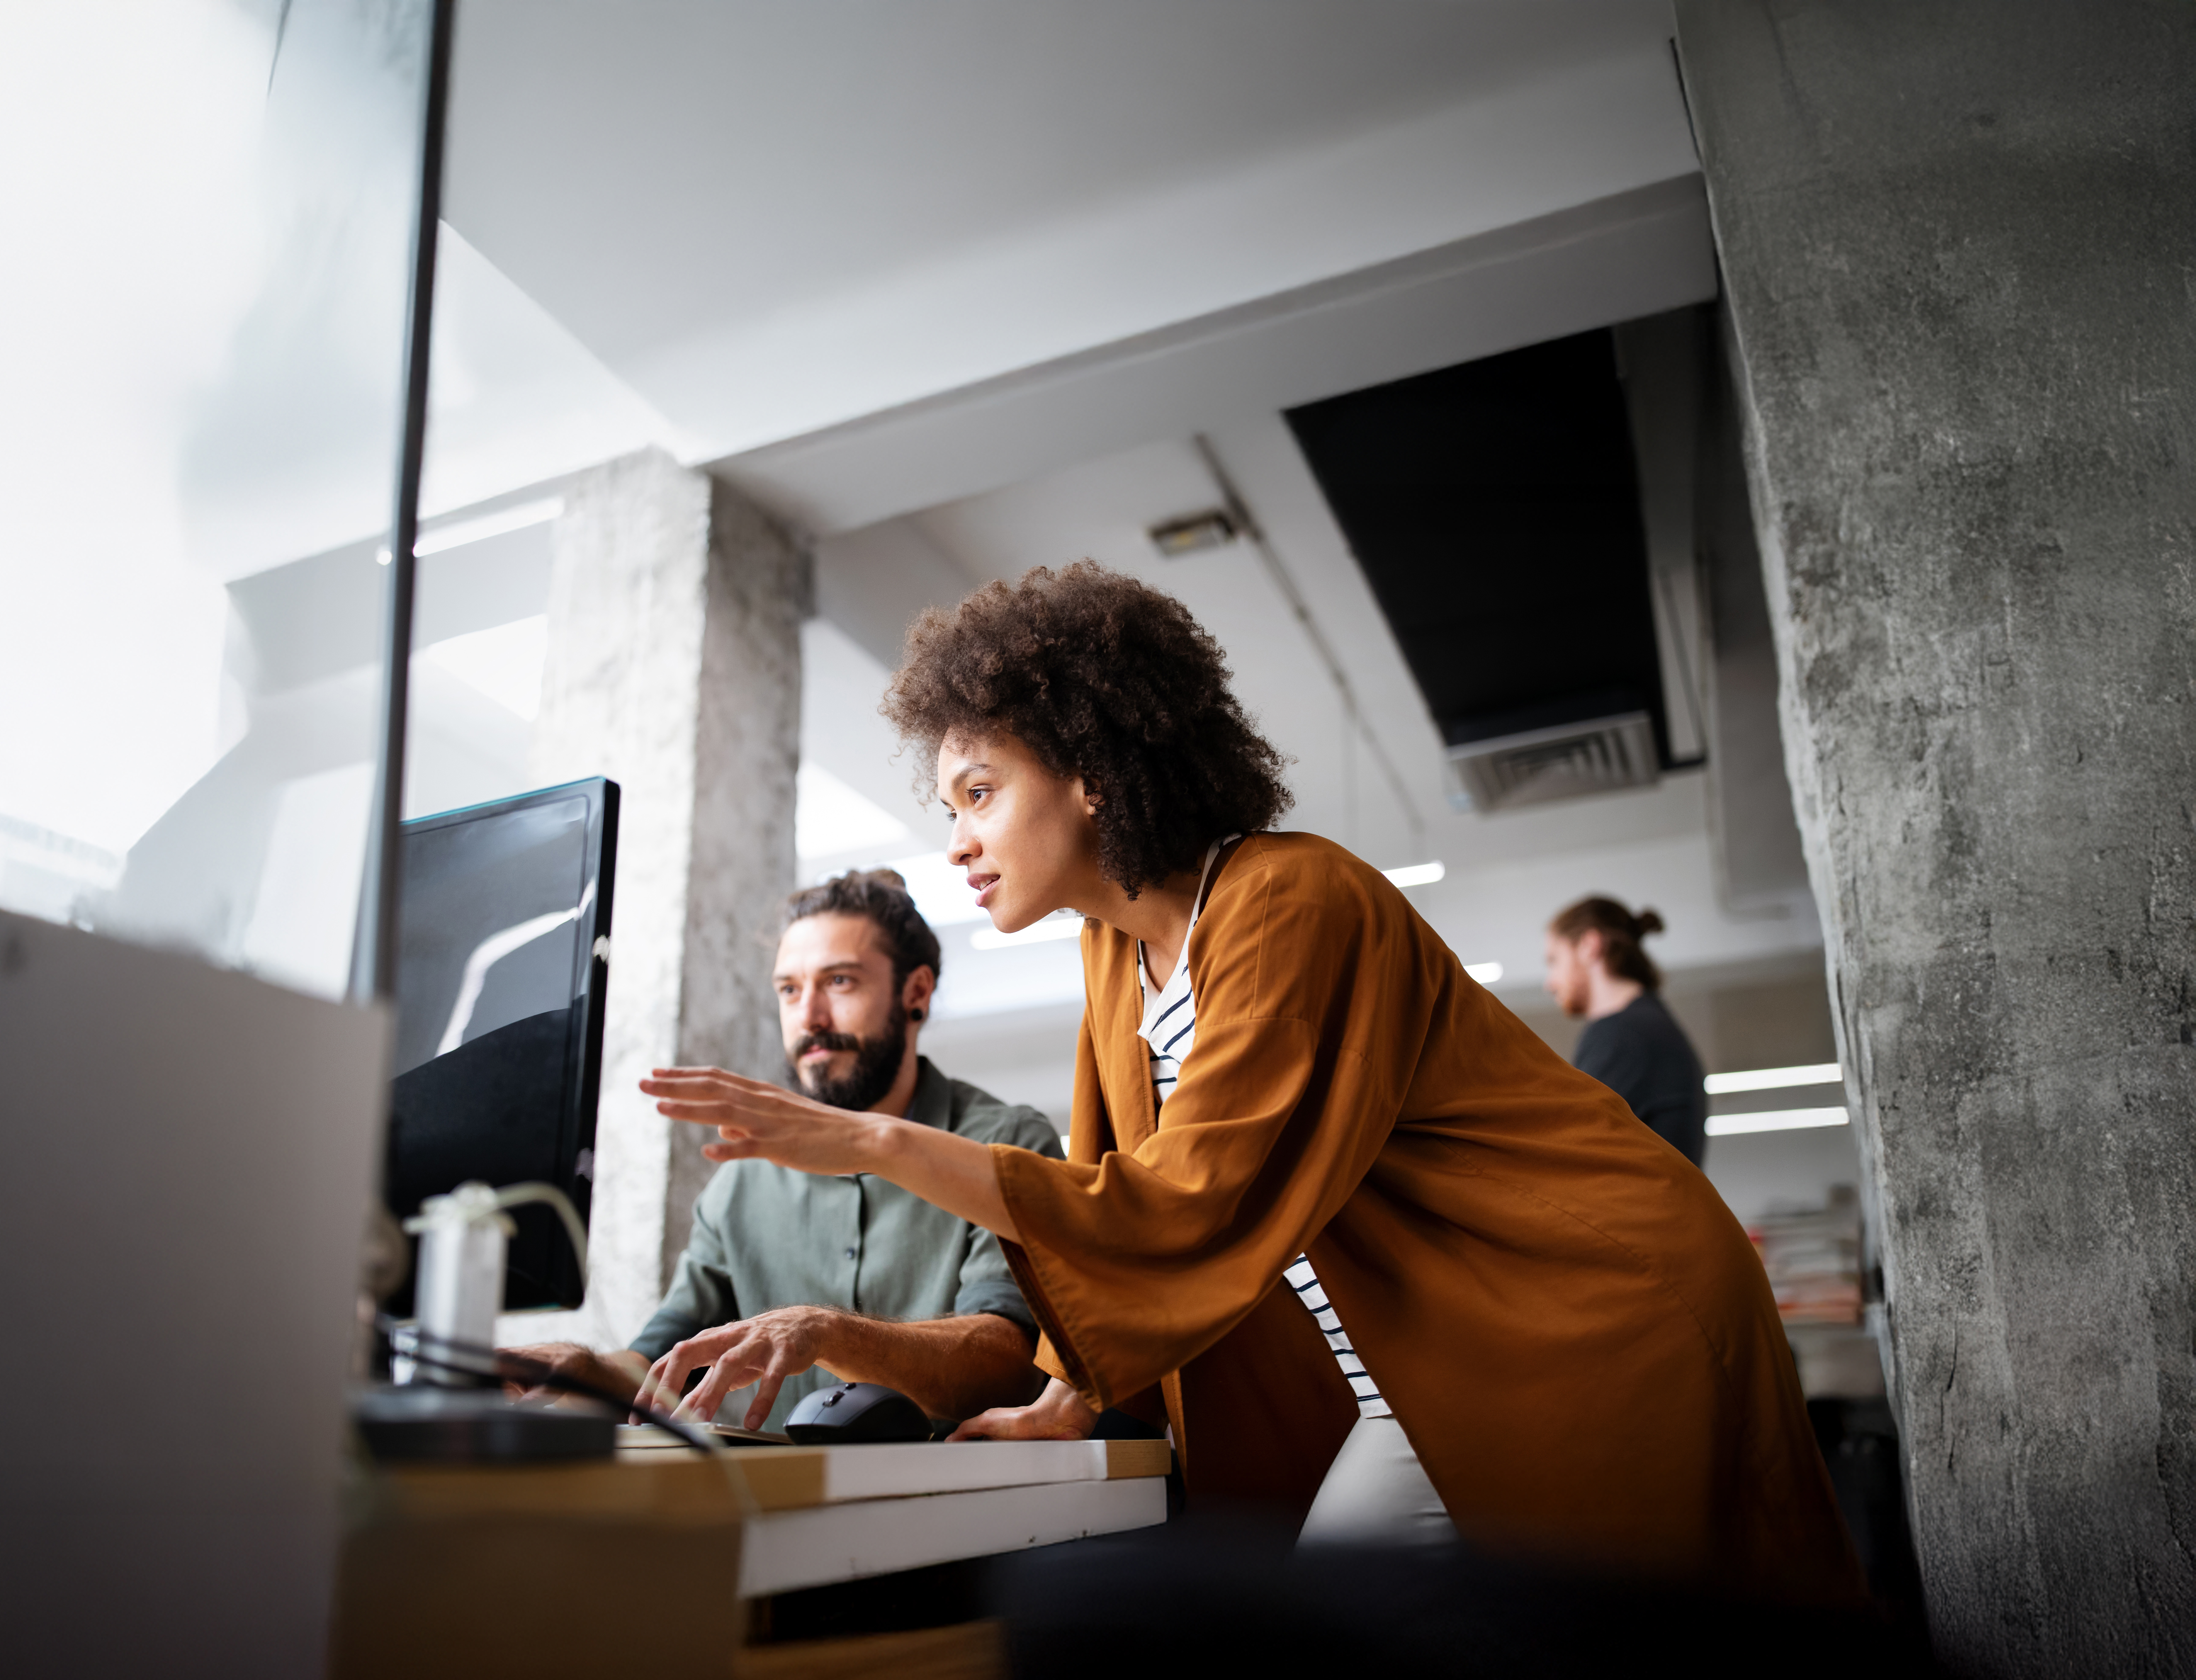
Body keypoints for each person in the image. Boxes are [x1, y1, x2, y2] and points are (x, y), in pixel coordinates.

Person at [641, 562, 1862, 1604]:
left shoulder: (1292, 900)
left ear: (1091, 773)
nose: (957, 837)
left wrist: (870, 1142)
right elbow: (1110, 1206)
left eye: (979, 791)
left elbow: (1179, 1202)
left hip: (1581, 1309)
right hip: (1419, 1358)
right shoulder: (1116, 955)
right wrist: (1064, 1402)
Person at [506, 869, 1060, 1433]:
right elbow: (661, 1359)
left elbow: (1008, 1365)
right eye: (790, 990)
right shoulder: (741, 1178)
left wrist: (827, 1332)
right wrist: (585, 1371)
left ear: (915, 992)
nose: (810, 1018)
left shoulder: (1006, 1144)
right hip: (768, 1503)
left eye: (839, 982)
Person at [1543, 897, 1709, 1166]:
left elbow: (1570, 1153)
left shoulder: (1623, 1033)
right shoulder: (1647, 1026)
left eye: (1554, 961)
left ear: (1589, 945)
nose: (1549, 984)